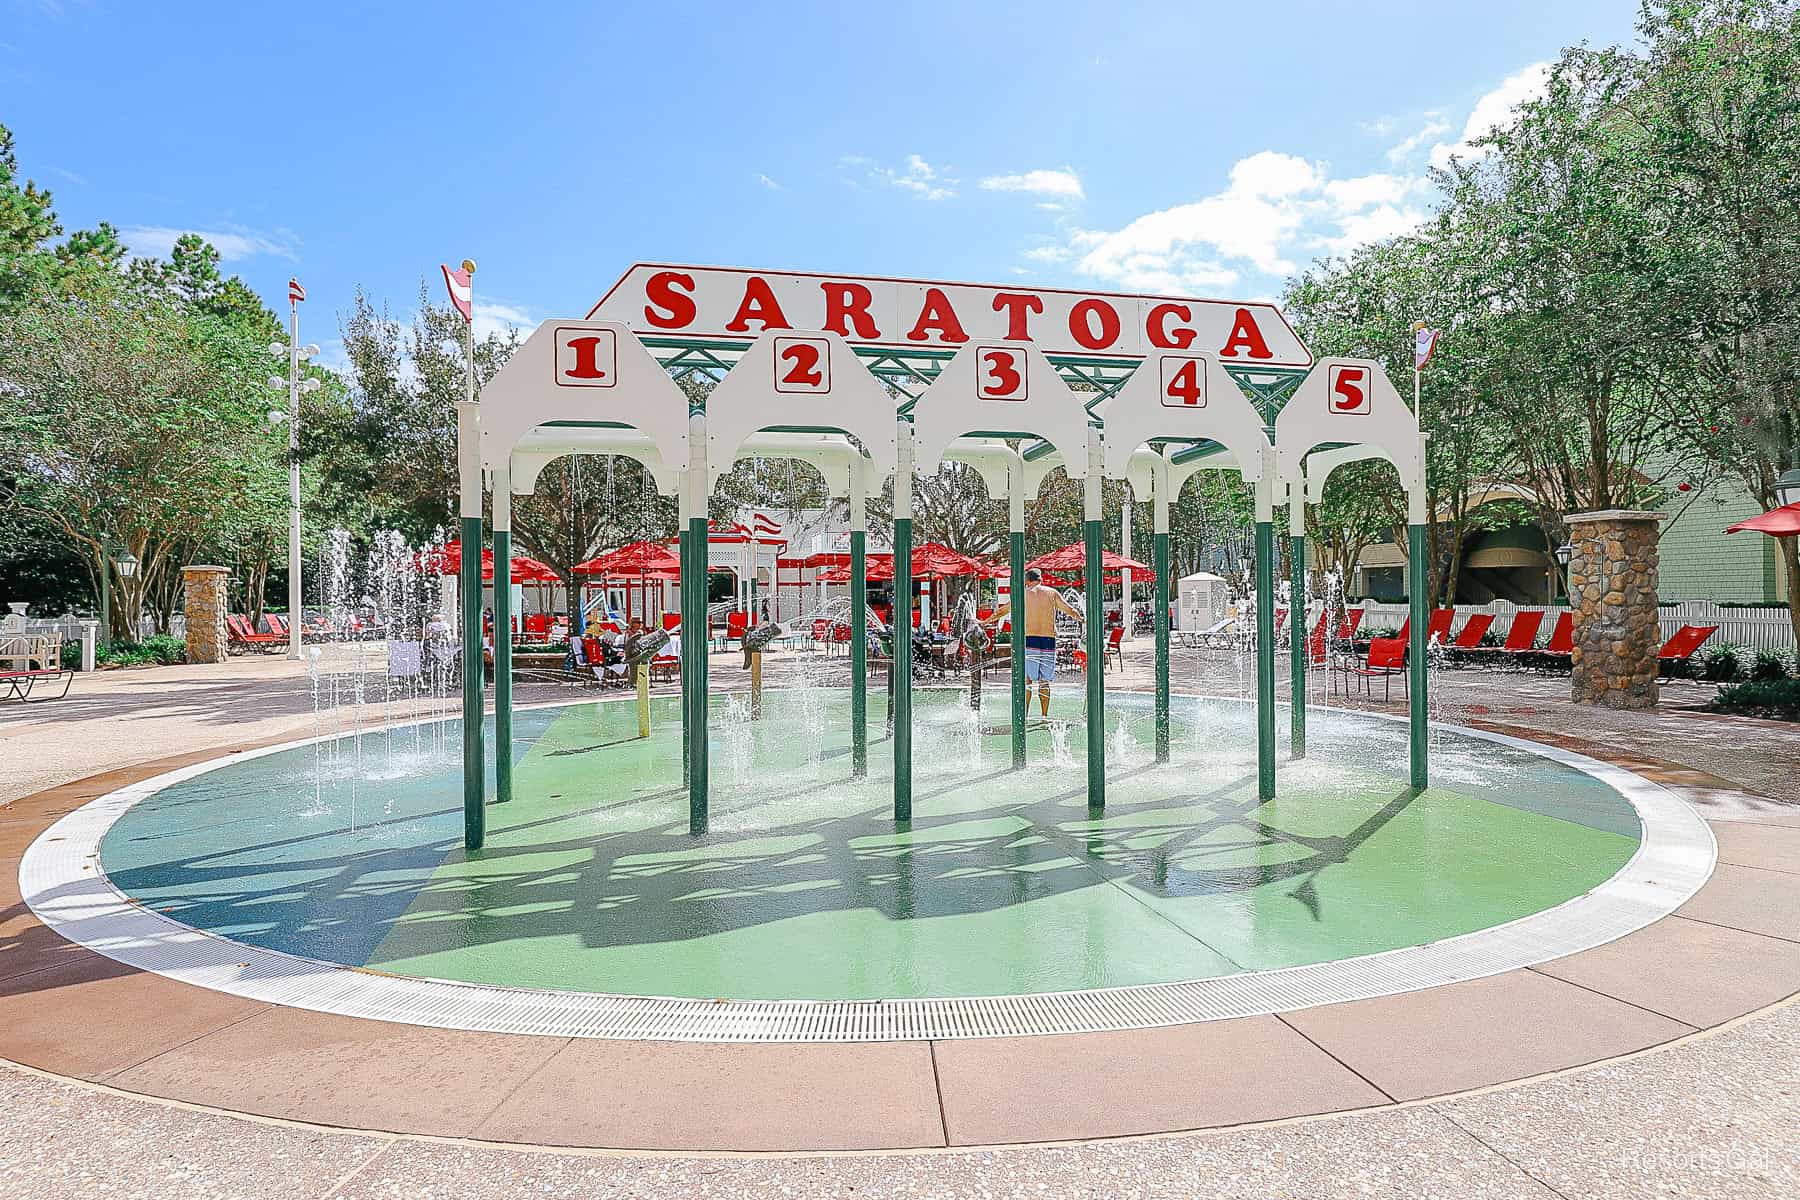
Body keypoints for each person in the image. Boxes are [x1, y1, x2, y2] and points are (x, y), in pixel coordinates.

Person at [982, 569, 1084, 717]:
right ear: (1040, 579)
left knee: (1027, 680)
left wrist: (985, 622)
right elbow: (1070, 610)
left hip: (1029, 640)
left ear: (1026, 580)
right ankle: (1044, 716)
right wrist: (1082, 619)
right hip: (1048, 640)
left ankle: (1025, 715)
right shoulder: (1052, 593)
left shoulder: (1022, 594)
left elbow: (1002, 611)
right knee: (1044, 681)